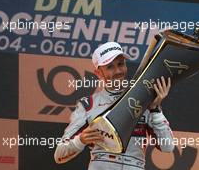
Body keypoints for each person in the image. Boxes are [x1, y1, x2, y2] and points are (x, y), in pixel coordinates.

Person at [54, 42, 174, 170]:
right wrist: (80, 140)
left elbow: (168, 147)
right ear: (98, 73)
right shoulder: (88, 105)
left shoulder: (144, 99)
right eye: (110, 67)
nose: (118, 71)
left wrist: (155, 110)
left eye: (121, 64)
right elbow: (59, 155)